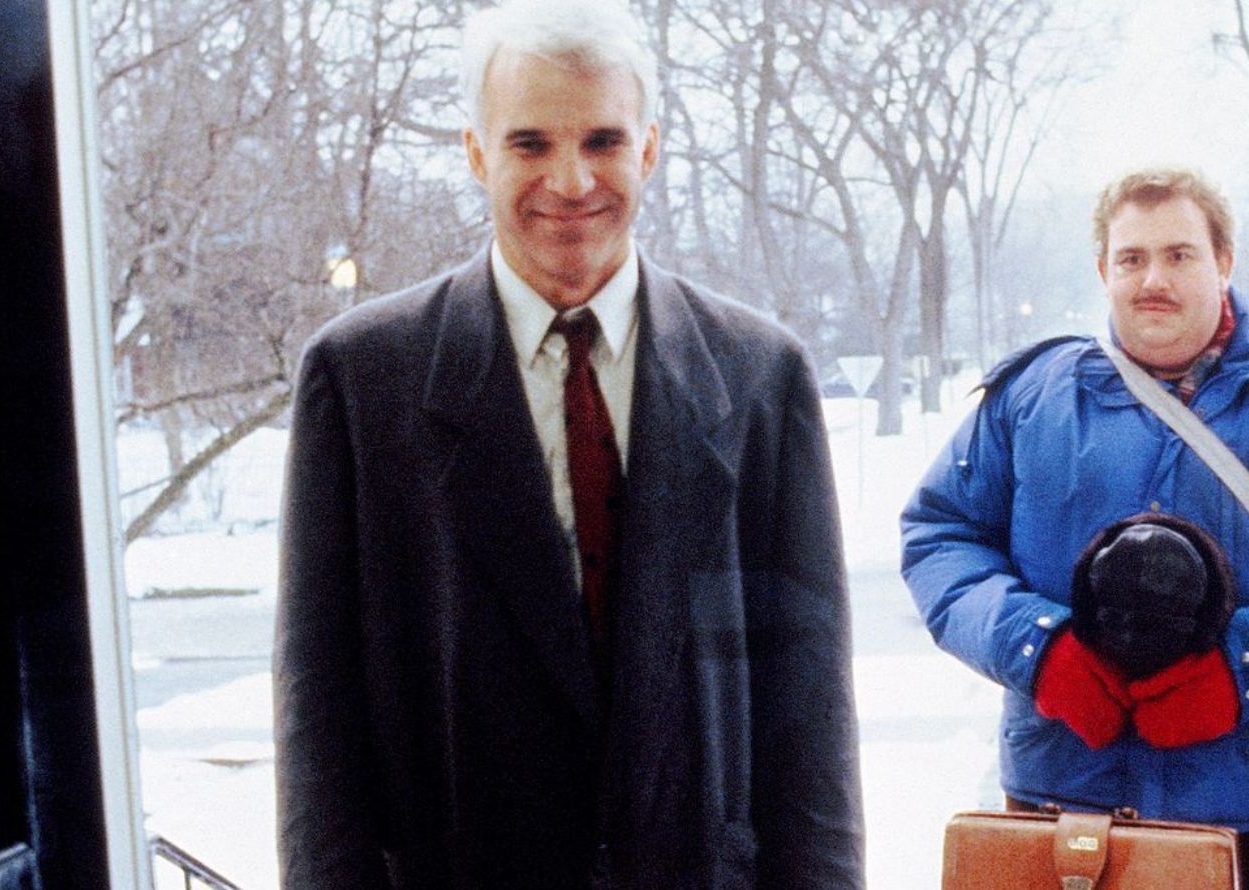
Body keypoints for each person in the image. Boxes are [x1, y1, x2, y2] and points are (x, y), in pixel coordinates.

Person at [273, 2, 864, 886]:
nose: (572, 180)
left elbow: (809, 712)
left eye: (601, 140)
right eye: (529, 144)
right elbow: (319, 717)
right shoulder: (361, 380)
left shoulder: (760, 377)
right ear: (476, 154)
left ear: (649, 149)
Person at [901, 167, 1249, 890]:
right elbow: (939, 537)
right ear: (1103, 269)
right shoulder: (1030, 398)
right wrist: (1039, 652)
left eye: (1179, 254)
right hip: (1063, 807)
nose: (1152, 278)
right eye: (1131, 258)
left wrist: (1246, 670)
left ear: (1223, 260)